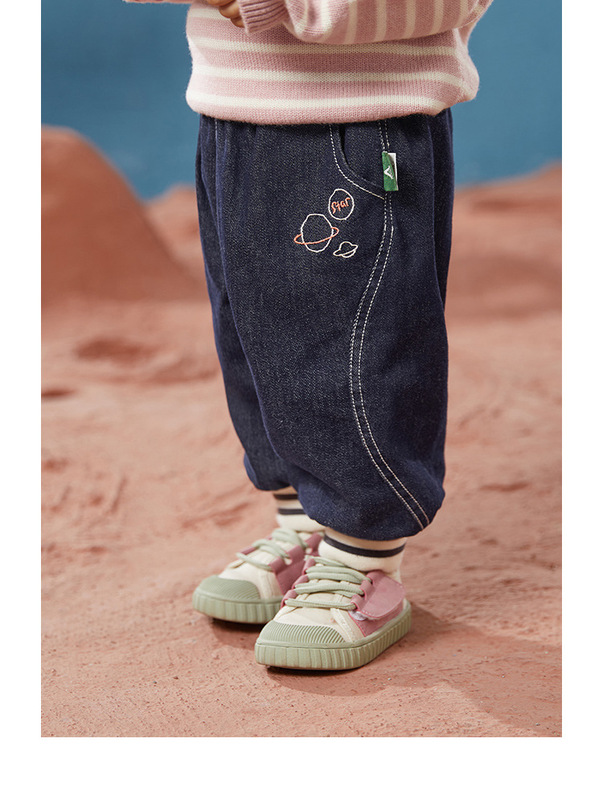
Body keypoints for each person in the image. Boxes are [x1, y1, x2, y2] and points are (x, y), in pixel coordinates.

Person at [125, 0, 493, 670]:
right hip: (231, 114)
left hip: (355, 121)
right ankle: (305, 521)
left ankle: (363, 557)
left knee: (352, 352)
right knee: (255, 340)